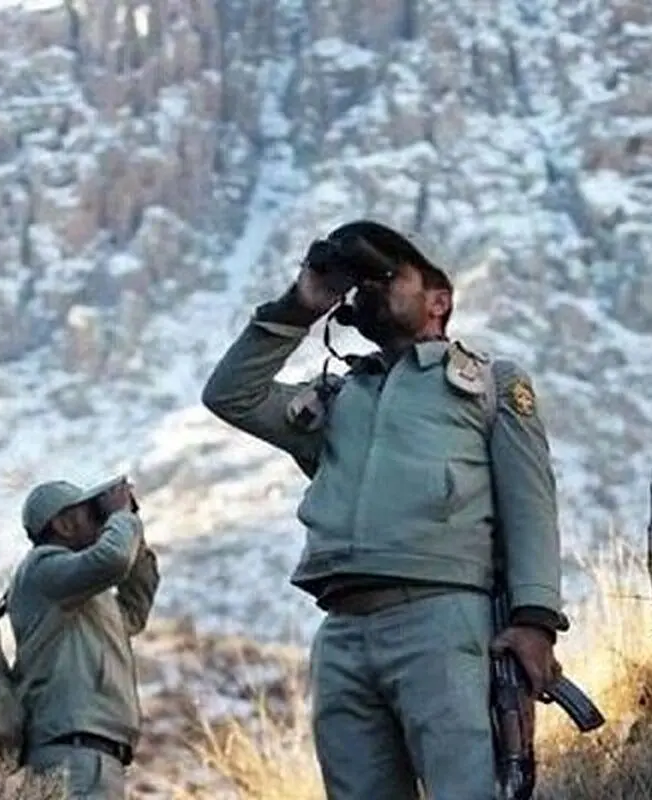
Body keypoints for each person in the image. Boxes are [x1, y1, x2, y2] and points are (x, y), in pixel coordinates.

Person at [200, 220, 569, 800]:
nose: (372, 286)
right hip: (343, 630)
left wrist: (534, 621)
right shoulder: (334, 398)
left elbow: (531, 507)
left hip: (443, 621)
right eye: (365, 279)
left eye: (391, 275)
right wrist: (301, 306)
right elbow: (230, 395)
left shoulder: (487, 386)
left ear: (438, 301)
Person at [9, 476, 160, 799]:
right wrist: (120, 518)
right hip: (73, 754)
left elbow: (134, 608)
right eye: (88, 512)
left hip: (93, 754)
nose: (98, 519)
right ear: (63, 525)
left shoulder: (83, 596)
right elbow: (112, 560)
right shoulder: (42, 569)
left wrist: (131, 526)